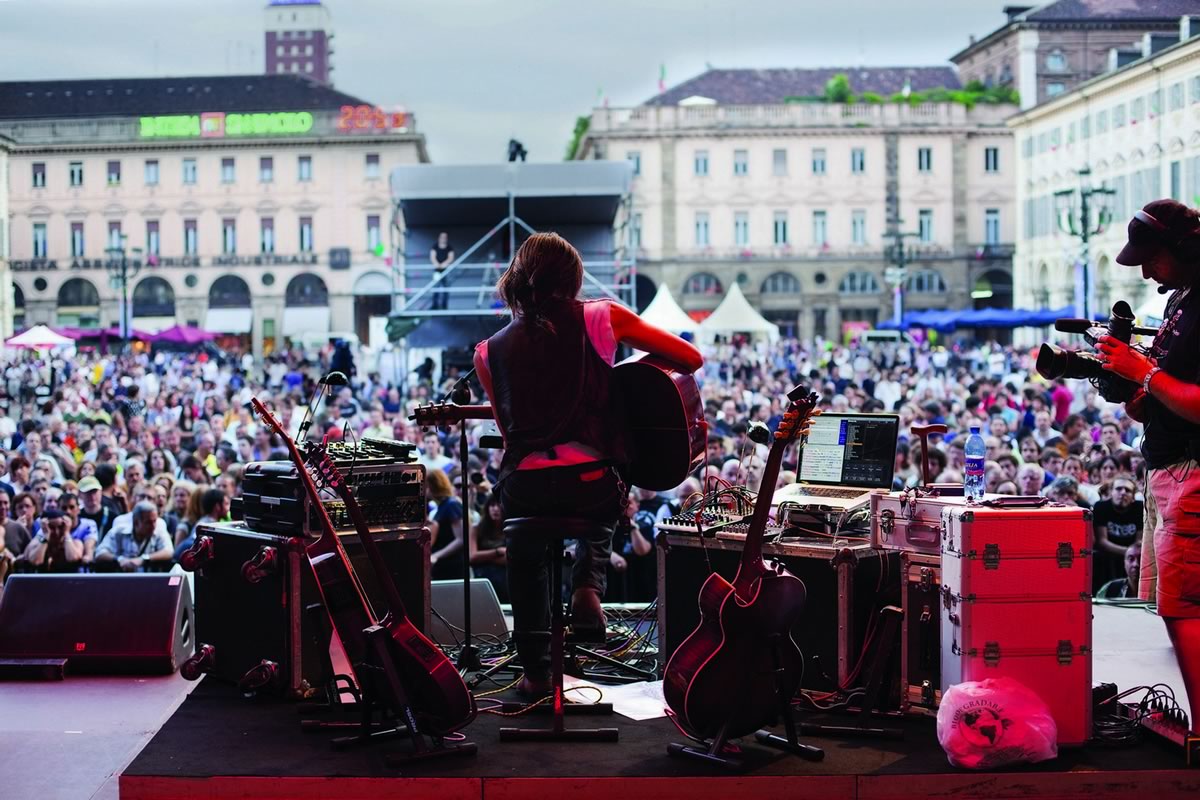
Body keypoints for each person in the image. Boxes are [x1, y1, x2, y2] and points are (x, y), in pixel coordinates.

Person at [472, 232, 702, 698]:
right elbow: (690, 358)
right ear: (573, 278)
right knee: (606, 491)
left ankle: (536, 672)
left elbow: (508, 426)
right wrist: (625, 381)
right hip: (591, 485)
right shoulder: (602, 316)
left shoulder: (486, 351)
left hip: (525, 488)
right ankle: (588, 587)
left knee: (526, 556)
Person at [1096, 198, 1200, 727]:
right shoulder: (1182, 296)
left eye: (1151, 257)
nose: (1144, 269)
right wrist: (1143, 392)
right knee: (1173, 603)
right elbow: (1172, 388)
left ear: (1182, 247)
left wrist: (1145, 372)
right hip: (1170, 469)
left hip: (1192, 472)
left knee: (1185, 605)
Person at [94, 500, 173, 572]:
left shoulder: (158, 530)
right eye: (148, 522)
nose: (153, 526)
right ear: (136, 522)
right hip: (121, 582)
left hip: (149, 583)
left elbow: (169, 551)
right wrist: (119, 559)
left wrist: (144, 559)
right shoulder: (119, 532)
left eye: (154, 521)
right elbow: (100, 553)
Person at [469, 492, 508, 603]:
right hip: (483, 579)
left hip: (505, 579)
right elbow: (472, 556)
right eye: (492, 505)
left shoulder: (509, 528)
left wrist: (483, 557)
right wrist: (497, 551)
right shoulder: (477, 528)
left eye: (498, 505)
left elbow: (510, 558)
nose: (495, 509)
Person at [429, 231, 454, 311]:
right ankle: (434, 305)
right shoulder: (435, 246)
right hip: (437, 270)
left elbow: (451, 258)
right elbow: (432, 256)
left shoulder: (449, 247)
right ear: (439, 238)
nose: (443, 239)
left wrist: (444, 264)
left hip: (446, 271)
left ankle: (444, 306)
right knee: (435, 288)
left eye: (445, 237)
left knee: (446, 289)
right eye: (442, 237)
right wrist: (436, 264)